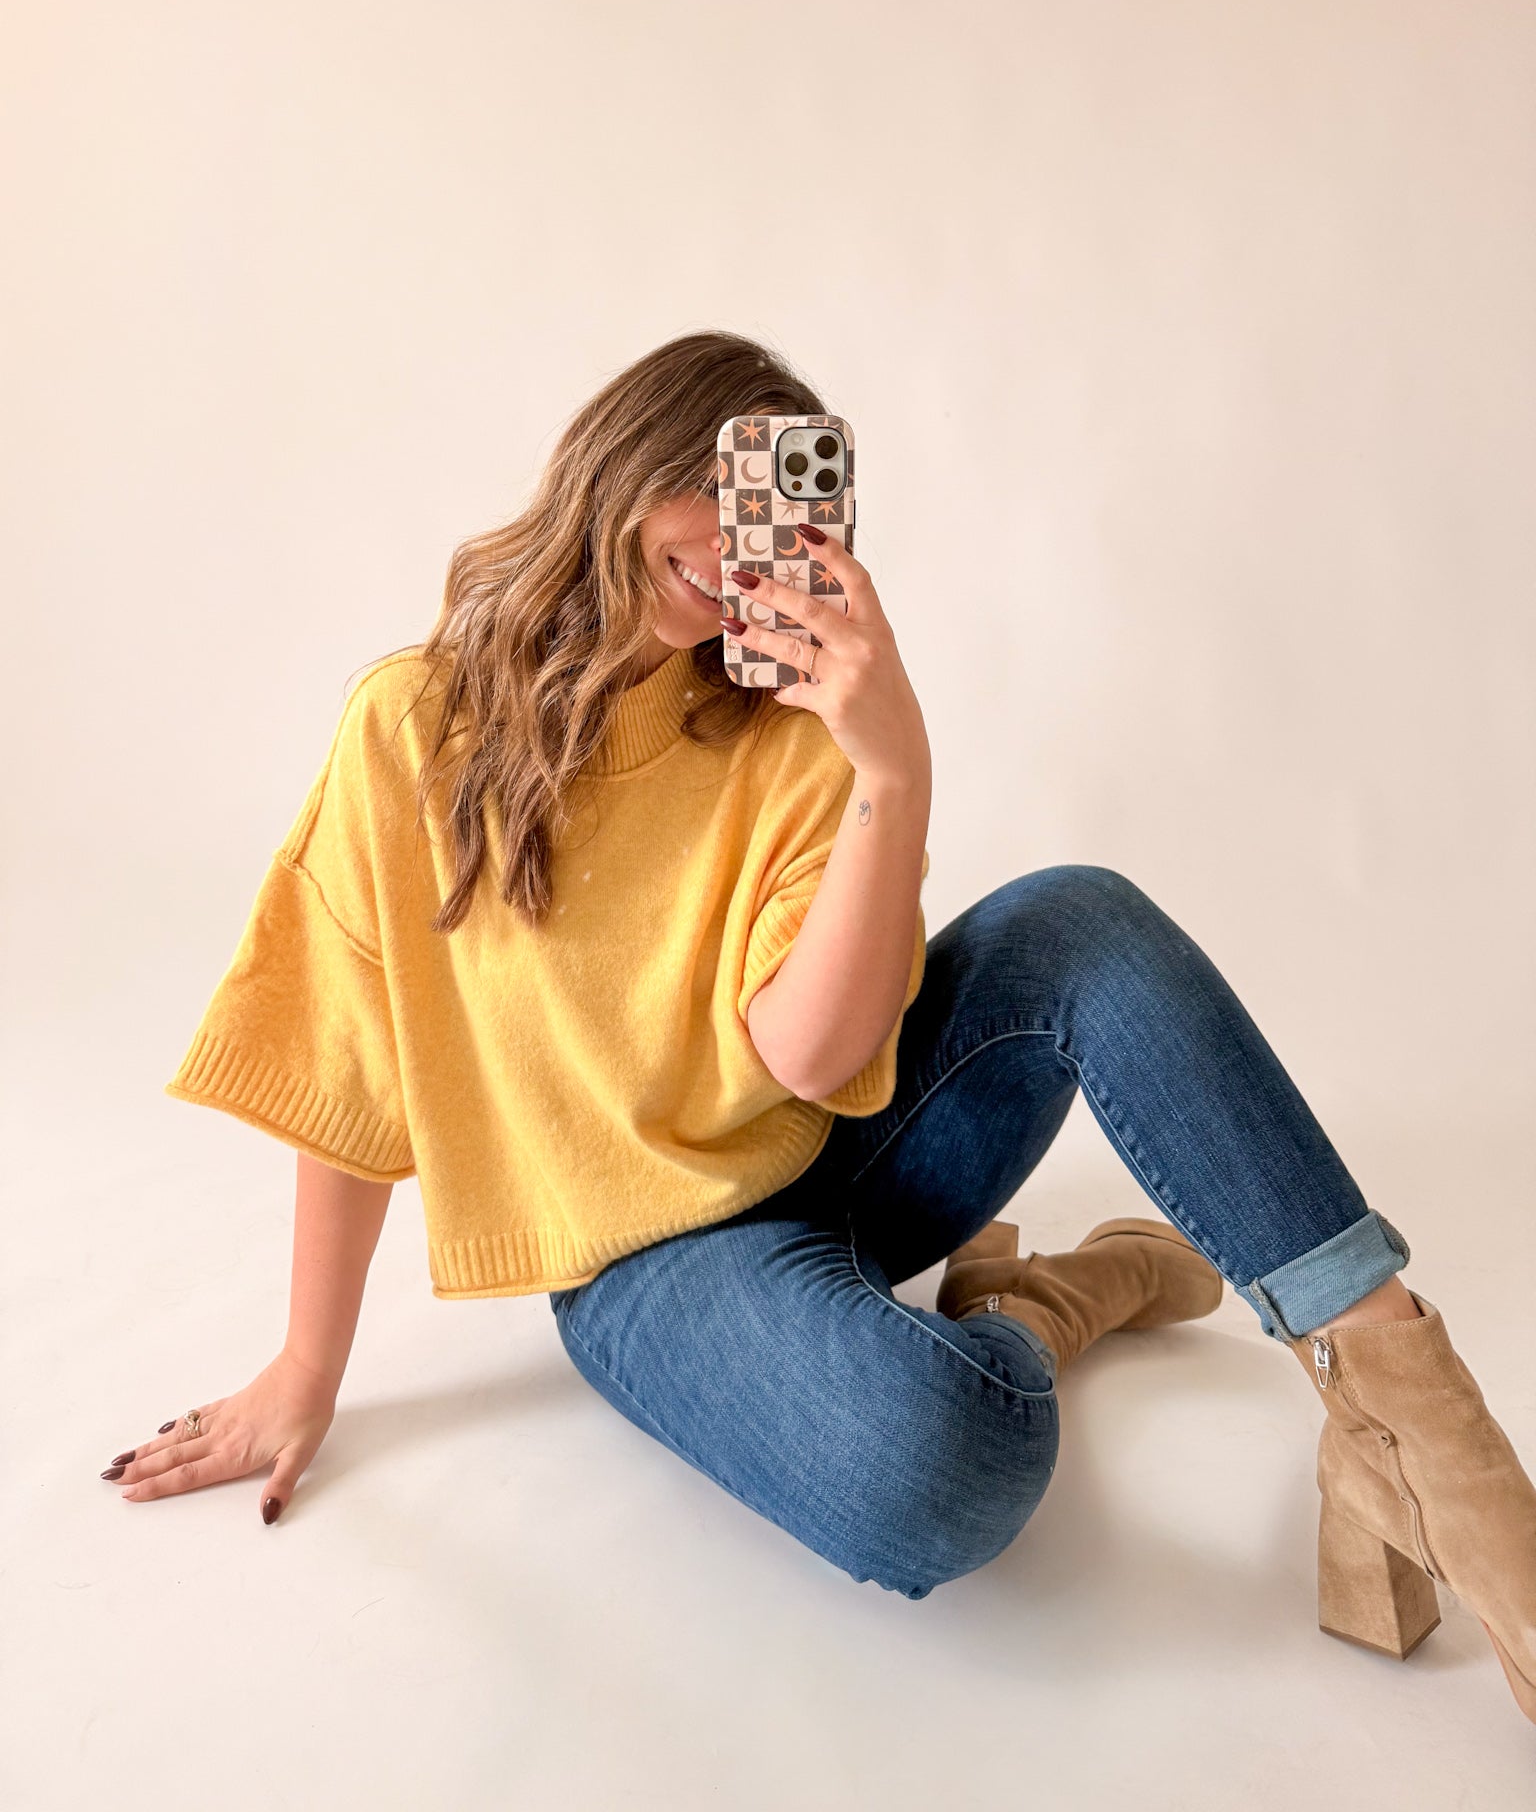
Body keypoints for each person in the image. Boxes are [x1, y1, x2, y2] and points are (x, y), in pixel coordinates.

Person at [109, 331, 1534, 1725]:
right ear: (621, 460)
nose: (729, 542)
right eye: (711, 485)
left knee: (1081, 921)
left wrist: (891, 776)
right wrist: (306, 1369)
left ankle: (1424, 1443)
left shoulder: (789, 727)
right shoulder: (413, 725)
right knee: (946, 1467)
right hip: (644, 1262)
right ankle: (1047, 1303)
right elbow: (346, 1061)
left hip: (845, 1152)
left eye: (776, 510)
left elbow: (806, 1055)